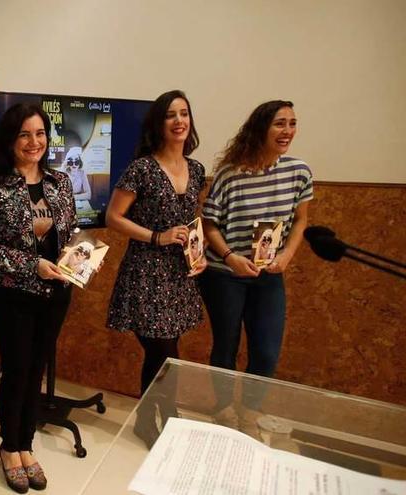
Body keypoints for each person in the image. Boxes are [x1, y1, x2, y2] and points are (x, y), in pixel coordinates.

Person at [0, 103, 76, 493]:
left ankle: (27, 445)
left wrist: (81, 258)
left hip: (57, 290)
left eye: (40, 134)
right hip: (12, 292)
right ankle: (8, 447)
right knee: (17, 369)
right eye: (24, 134)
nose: (34, 142)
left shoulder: (60, 181)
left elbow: (70, 232)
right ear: (11, 140)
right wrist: (30, 264)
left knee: (36, 369)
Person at [199, 100, 312, 433]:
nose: (287, 131)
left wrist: (287, 256)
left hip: (269, 275)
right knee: (226, 345)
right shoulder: (229, 174)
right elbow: (209, 224)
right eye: (280, 123)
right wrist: (231, 256)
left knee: (265, 350)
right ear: (261, 127)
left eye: (292, 123)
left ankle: (248, 412)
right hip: (225, 274)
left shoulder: (299, 172)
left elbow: (301, 222)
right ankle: (223, 409)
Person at [106, 90, 207, 396]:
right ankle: (162, 414)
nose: (179, 121)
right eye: (170, 115)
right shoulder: (142, 169)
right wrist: (156, 236)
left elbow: (192, 220)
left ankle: (149, 419)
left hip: (180, 276)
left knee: (167, 351)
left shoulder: (198, 169)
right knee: (163, 352)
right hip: (146, 274)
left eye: (184, 113)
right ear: (158, 123)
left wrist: (198, 252)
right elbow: (113, 217)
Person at [64, 146, 92, 211]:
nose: (74, 165)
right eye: (71, 163)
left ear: (79, 163)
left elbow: (88, 195)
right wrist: (63, 167)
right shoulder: (64, 173)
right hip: (66, 203)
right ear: (68, 163)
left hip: (79, 202)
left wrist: (72, 197)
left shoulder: (82, 173)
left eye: (76, 162)